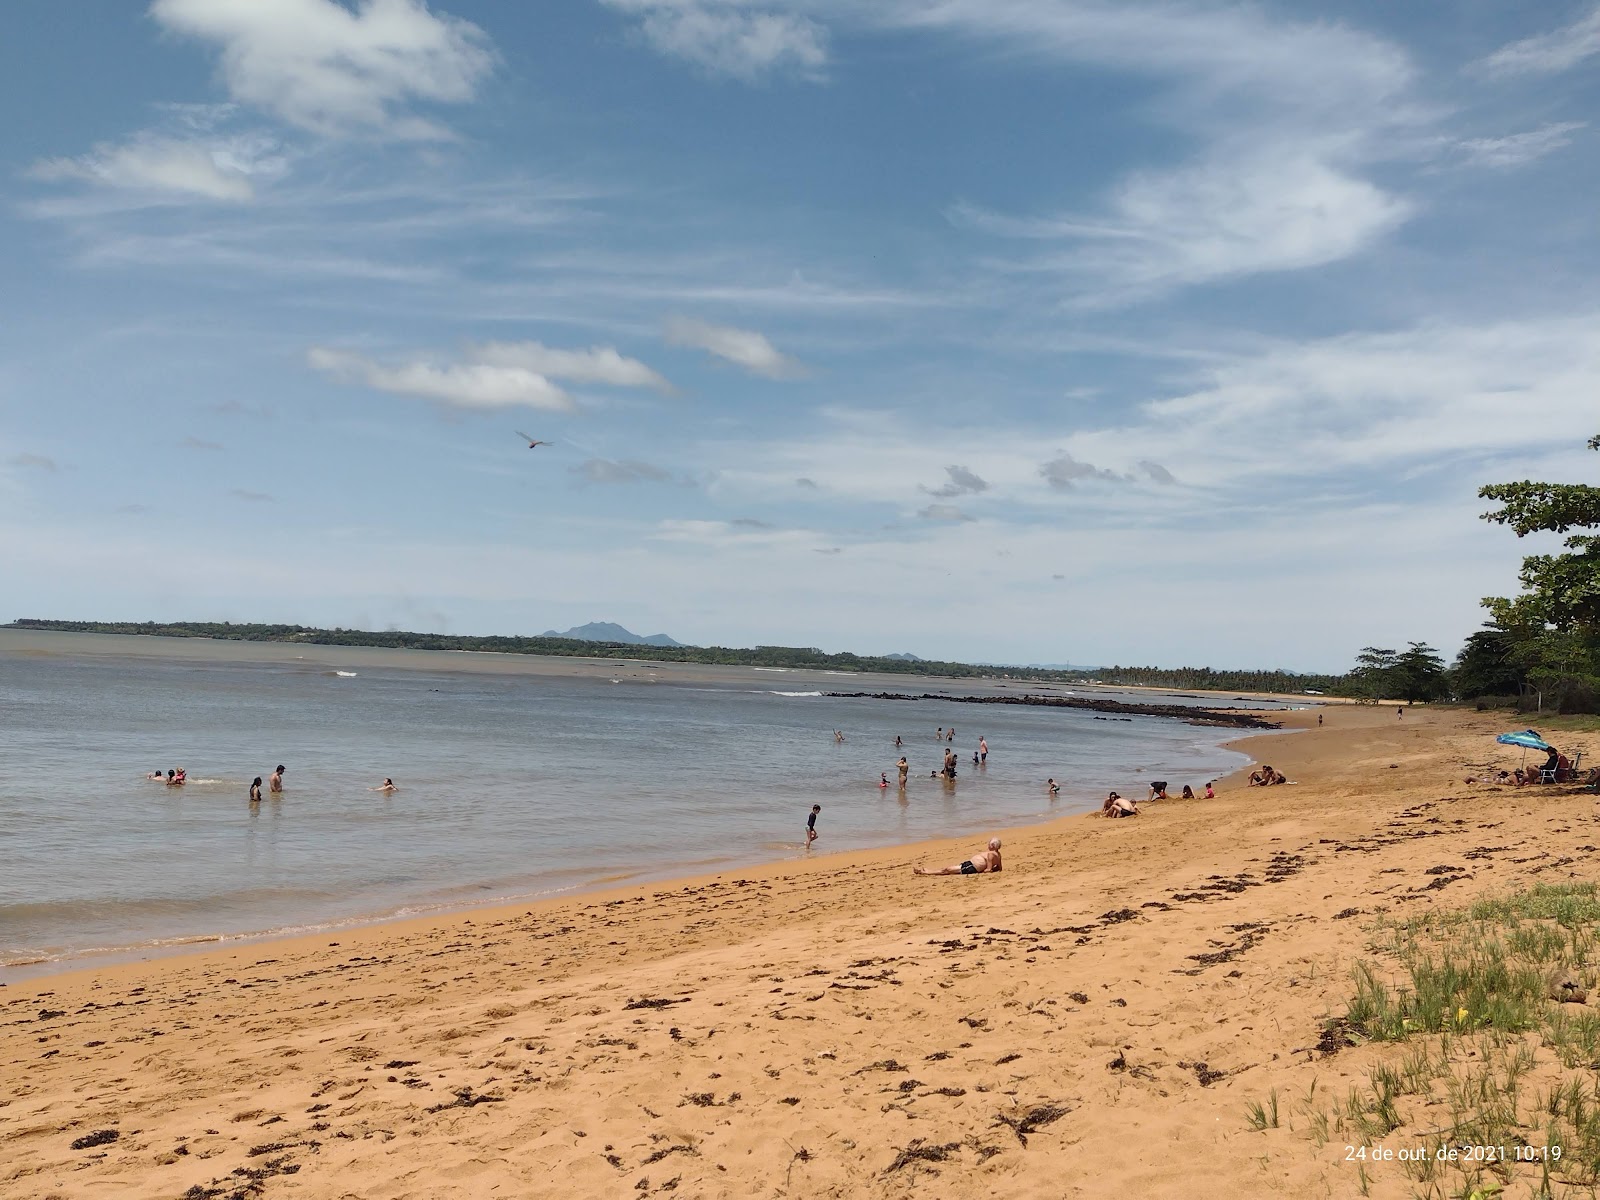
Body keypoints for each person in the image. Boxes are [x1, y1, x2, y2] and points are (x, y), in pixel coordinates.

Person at [914, 837, 1001, 876]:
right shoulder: (998, 855)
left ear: (992, 845)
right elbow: (999, 868)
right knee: (948, 869)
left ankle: (926, 872)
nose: (988, 845)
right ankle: (929, 871)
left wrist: (983, 870)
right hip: (970, 865)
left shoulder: (990, 855)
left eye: (989, 844)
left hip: (971, 867)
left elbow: (988, 869)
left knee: (947, 870)